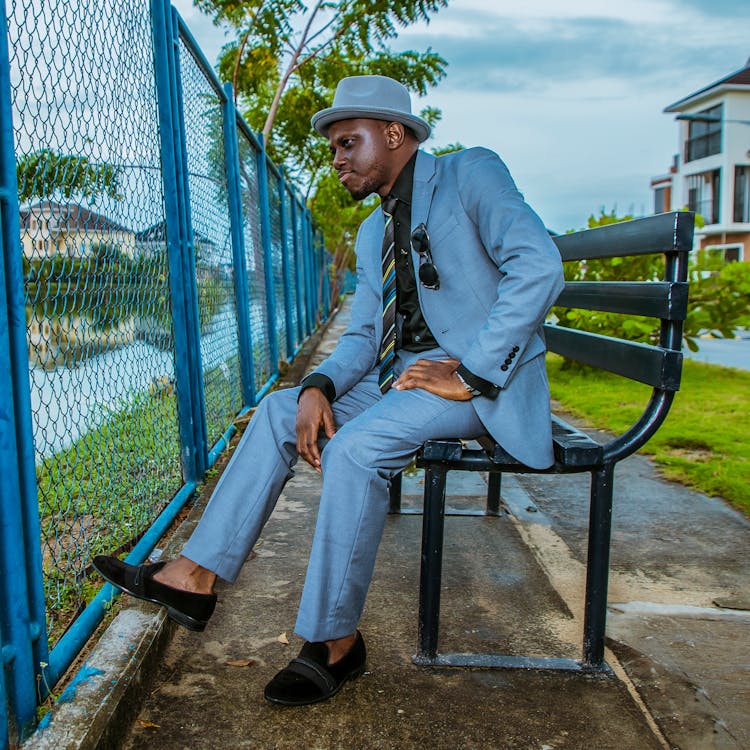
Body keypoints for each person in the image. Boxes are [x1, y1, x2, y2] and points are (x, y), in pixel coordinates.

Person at [93, 74, 564, 706]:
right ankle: (192, 578)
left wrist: (472, 373)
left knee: (356, 449)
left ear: (394, 134)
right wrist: (316, 385)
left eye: (349, 143)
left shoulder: (470, 175)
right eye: (334, 148)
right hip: (404, 378)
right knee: (276, 412)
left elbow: (538, 265)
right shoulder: (375, 234)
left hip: (478, 383)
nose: (337, 159)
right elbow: (365, 336)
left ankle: (335, 644)